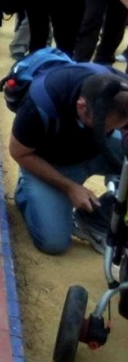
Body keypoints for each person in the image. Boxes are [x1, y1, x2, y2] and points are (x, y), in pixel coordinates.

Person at [11, 70, 127, 255]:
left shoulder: (120, 90)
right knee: (53, 243)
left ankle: (95, 219)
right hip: (50, 163)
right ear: (81, 106)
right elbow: (19, 153)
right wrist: (70, 187)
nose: (108, 132)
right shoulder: (41, 103)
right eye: (102, 128)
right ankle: (26, 192)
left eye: (117, 127)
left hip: (91, 153)